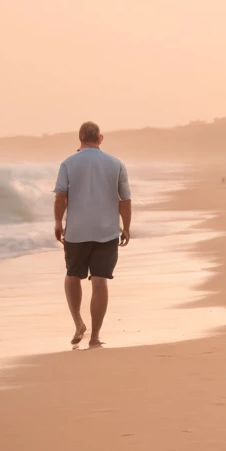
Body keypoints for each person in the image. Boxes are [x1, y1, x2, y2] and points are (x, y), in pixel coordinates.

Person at [54, 121, 131, 348]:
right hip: (106, 231)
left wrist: (58, 222)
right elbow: (124, 199)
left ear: (79, 138)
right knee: (99, 281)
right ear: (100, 138)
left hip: (76, 230)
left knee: (72, 275)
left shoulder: (68, 163)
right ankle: (95, 336)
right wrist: (126, 227)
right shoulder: (116, 163)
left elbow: (60, 197)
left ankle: (78, 322)